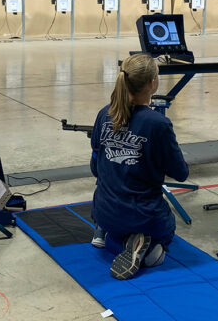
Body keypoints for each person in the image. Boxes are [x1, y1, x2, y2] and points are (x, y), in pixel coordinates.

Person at [90, 54, 189, 280]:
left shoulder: (103, 114)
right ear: (152, 83)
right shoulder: (158, 124)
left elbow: (95, 167)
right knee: (165, 232)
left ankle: (110, 236)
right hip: (143, 215)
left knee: (113, 215)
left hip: (103, 211)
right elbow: (181, 173)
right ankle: (136, 246)